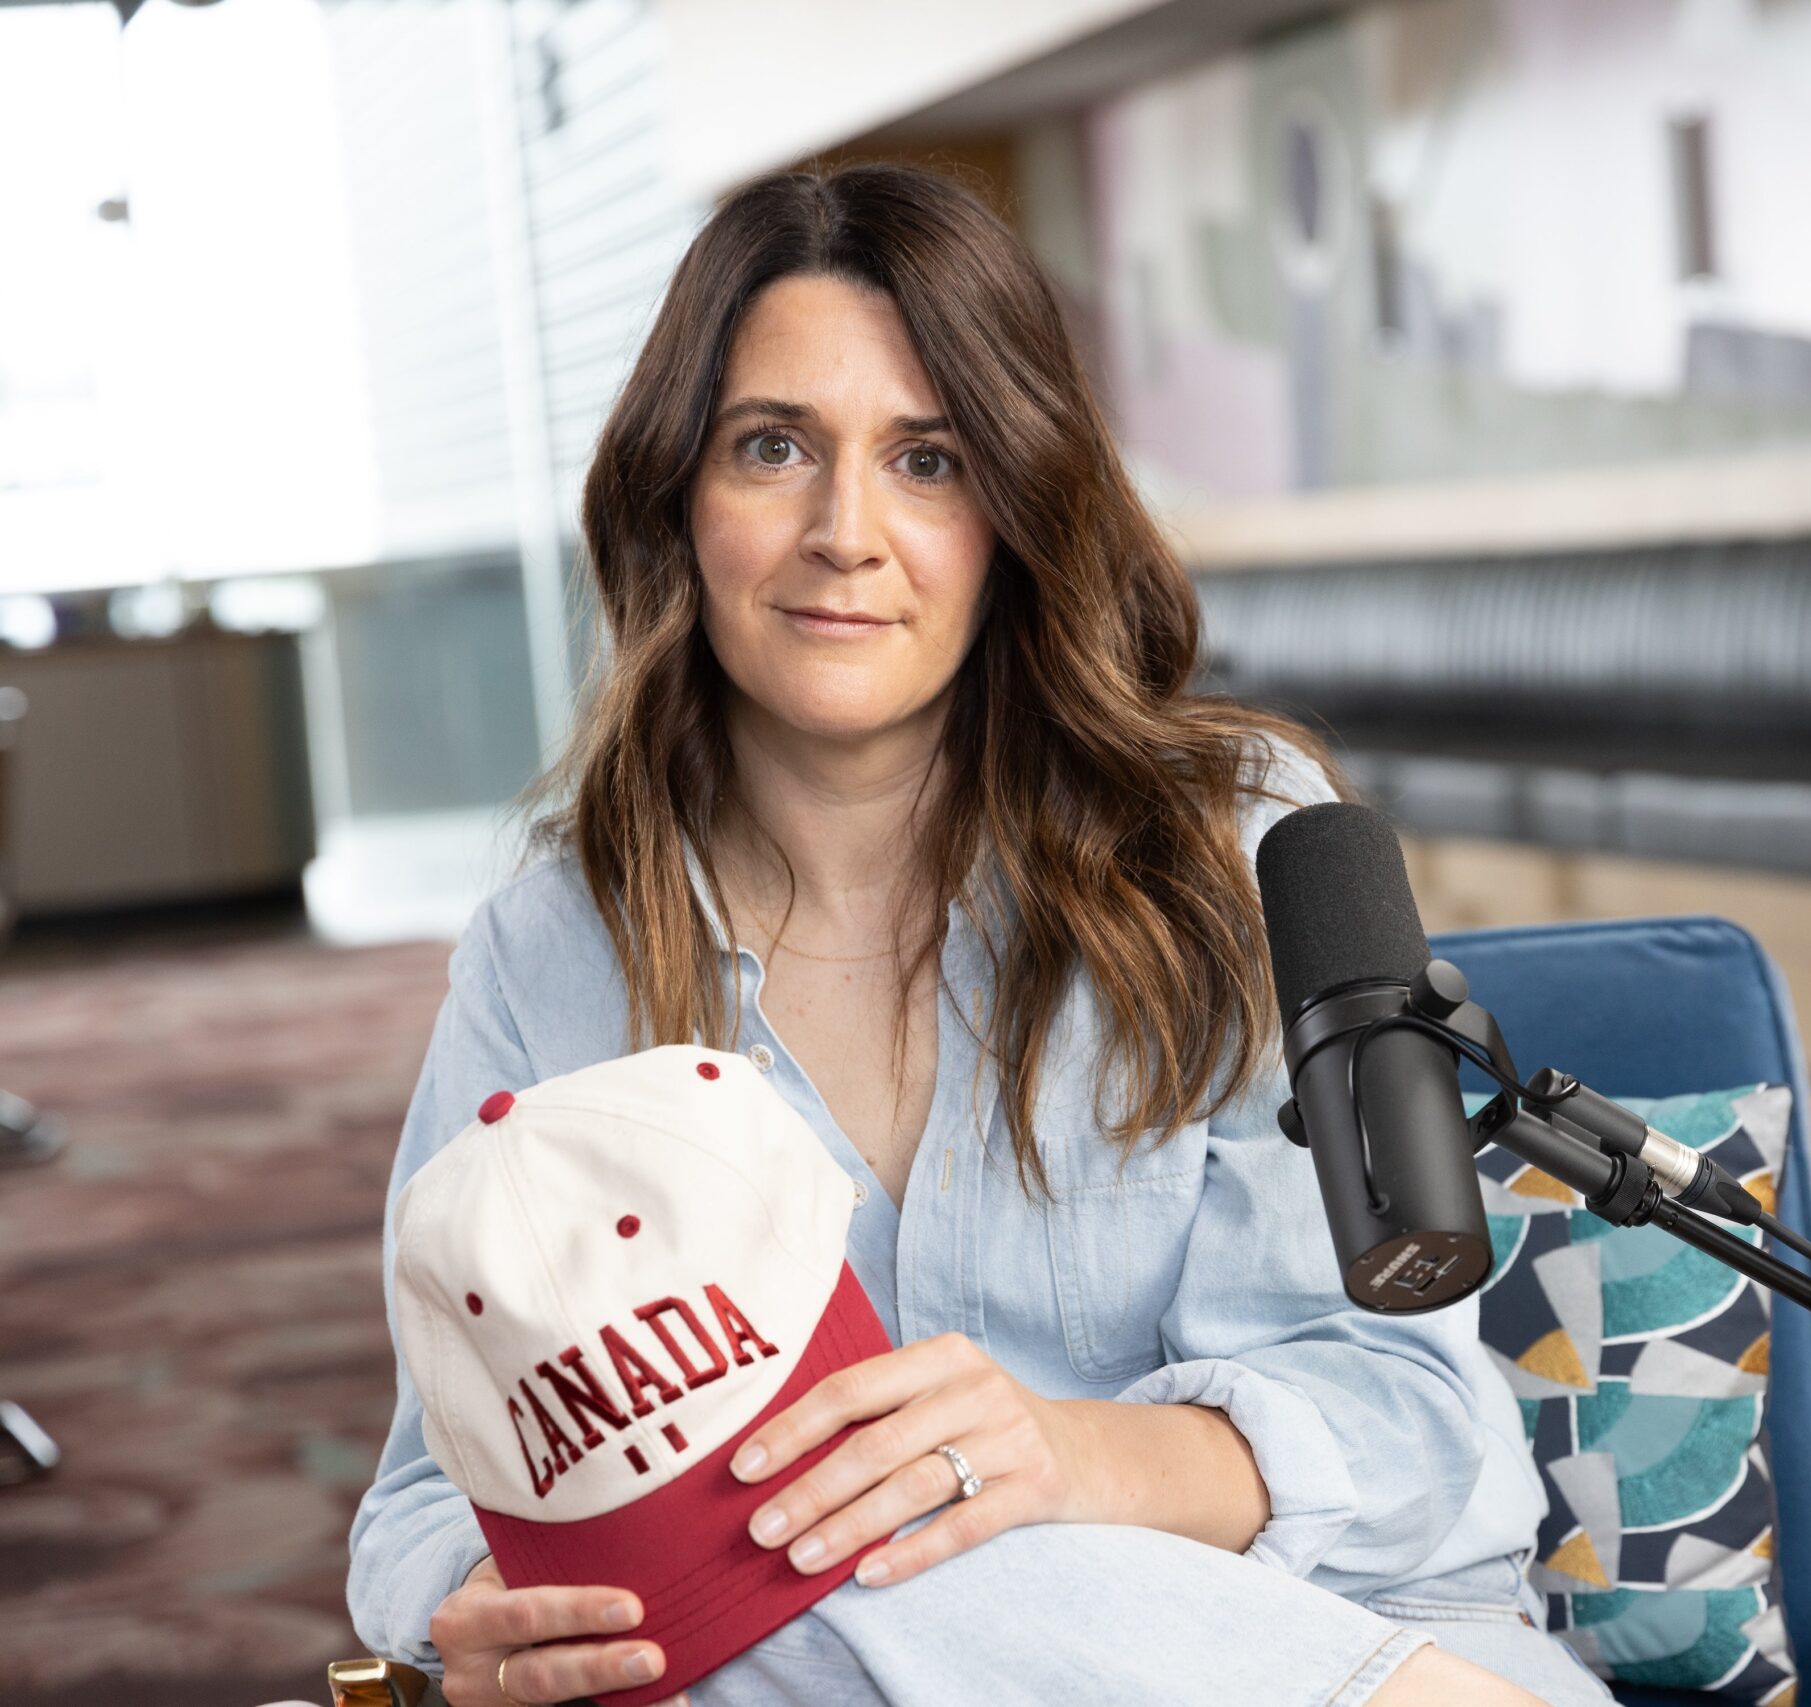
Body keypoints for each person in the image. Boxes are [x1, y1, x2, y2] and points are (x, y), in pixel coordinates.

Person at [346, 163, 1614, 1707]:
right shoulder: (554, 946)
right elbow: (429, 1497)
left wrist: (1057, 1456)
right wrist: (487, 1611)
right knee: (796, 1573)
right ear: (677, 492)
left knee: (821, 1564)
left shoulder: (1238, 847)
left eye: (928, 460)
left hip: (1304, 1643)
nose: (845, 533)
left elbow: (1422, 1430)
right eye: (771, 449)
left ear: (1017, 504)